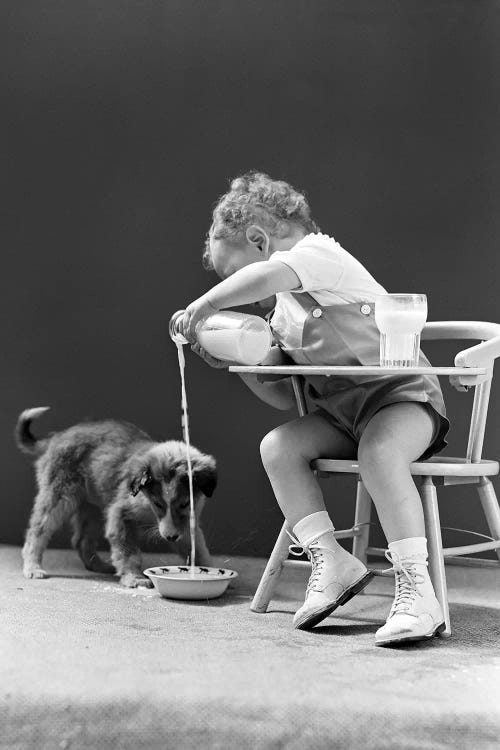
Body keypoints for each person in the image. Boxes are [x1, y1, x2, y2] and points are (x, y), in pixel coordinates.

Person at [178, 171, 450, 646]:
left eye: (232, 277)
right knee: (279, 446)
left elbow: (266, 276)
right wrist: (241, 360)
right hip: (347, 417)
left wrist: (206, 303)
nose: (237, 290)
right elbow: (286, 394)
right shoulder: (283, 313)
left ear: (260, 240)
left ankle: (417, 589)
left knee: (380, 452)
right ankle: (332, 561)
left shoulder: (320, 257)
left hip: (403, 400)